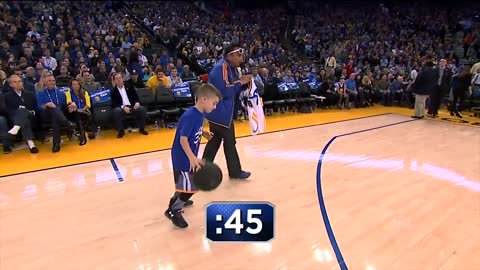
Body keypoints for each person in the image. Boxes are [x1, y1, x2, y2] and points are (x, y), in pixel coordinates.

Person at [165, 83, 221, 228]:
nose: (215, 107)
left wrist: (203, 133)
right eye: (214, 103)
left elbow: (191, 130)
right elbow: (183, 139)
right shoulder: (191, 116)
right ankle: (173, 210)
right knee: (193, 186)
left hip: (188, 155)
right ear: (203, 99)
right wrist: (192, 158)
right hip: (183, 156)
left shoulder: (199, 114)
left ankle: (177, 199)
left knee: (186, 183)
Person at [201, 44, 252, 179]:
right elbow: (225, 90)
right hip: (220, 113)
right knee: (230, 143)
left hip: (219, 112)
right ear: (230, 55)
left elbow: (232, 89)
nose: (241, 58)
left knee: (214, 141)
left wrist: (243, 84)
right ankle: (235, 172)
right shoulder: (221, 68)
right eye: (238, 55)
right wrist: (240, 82)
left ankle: (202, 170)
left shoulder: (229, 68)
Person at [4, 75, 39, 153]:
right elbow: (8, 111)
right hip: (16, 119)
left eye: (20, 81)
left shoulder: (30, 94)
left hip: (31, 117)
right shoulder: (7, 96)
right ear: (11, 85)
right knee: (23, 116)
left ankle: (15, 129)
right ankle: (31, 144)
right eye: (15, 82)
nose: (18, 84)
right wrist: (19, 111)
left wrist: (31, 111)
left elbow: (36, 108)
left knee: (23, 111)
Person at [110, 72, 148, 138]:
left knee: (141, 109)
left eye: (120, 78)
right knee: (116, 111)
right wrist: (123, 107)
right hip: (122, 108)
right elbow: (114, 103)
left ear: (122, 79)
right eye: (117, 79)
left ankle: (142, 129)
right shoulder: (113, 91)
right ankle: (121, 131)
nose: (119, 80)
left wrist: (137, 103)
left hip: (132, 106)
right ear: (114, 81)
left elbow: (136, 97)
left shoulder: (129, 86)